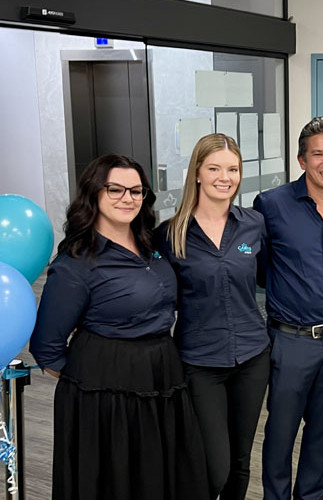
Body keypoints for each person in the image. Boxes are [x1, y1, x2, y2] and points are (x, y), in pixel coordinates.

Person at [29, 154, 209, 500]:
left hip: (162, 375)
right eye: (115, 189)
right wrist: (93, 382)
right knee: (118, 480)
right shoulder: (77, 263)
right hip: (106, 395)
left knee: (161, 474)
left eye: (136, 191)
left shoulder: (152, 247)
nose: (128, 199)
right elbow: (46, 348)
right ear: (94, 193)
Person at [253, 117, 323, 500]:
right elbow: (258, 268)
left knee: (322, 433)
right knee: (280, 434)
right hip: (289, 341)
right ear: (302, 160)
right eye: (318, 154)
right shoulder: (271, 205)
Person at [157, 133, 269, 500]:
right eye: (215, 168)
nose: (226, 177)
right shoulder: (170, 234)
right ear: (198, 174)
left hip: (252, 357)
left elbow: (267, 278)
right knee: (213, 466)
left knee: (240, 462)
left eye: (233, 169)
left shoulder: (254, 224)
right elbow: (151, 295)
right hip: (200, 363)